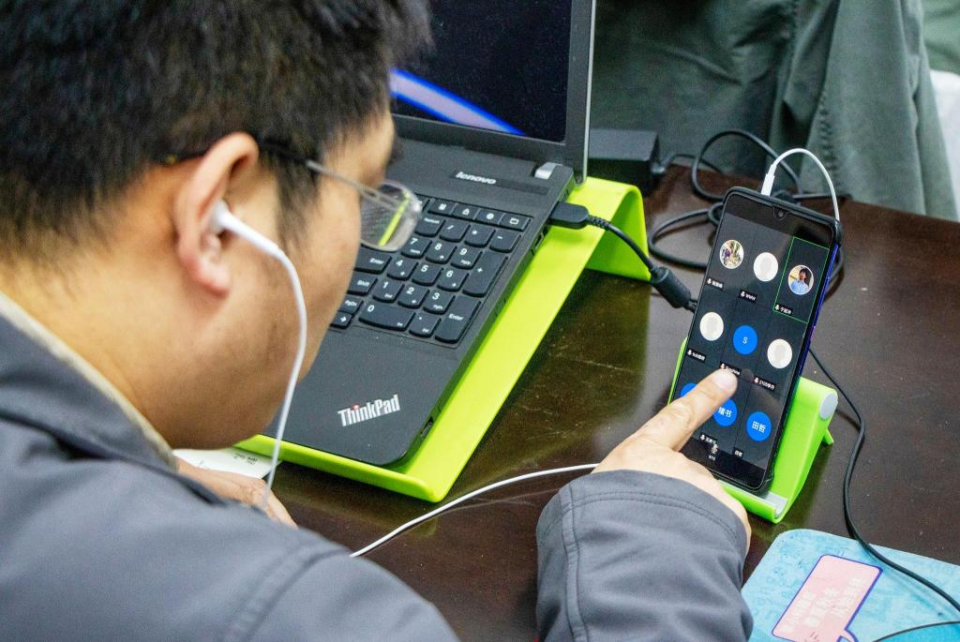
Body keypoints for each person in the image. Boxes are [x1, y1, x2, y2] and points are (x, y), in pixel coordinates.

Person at [0, 2, 752, 640]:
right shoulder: (305, 618)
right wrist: (647, 544)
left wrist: (128, 473)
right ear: (214, 219)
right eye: (367, 193)